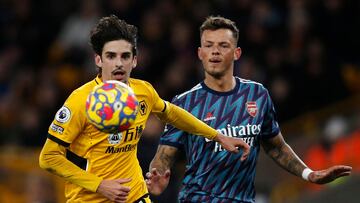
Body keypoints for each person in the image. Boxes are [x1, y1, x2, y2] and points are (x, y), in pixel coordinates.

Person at [38, 15, 250, 203]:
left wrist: (217, 136)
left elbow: (172, 113)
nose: (118, 63)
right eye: (111, 56)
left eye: (125, 56)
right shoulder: (81, 100)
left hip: (134, 193)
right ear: (98, 60)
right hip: (90, 197)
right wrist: (99, 184)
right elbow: (48, 157)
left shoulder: (143, 92)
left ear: (135, 61)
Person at [146, 16, 352, 202]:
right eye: (208, 45)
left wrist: (309, 174)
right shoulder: (185, 103)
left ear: (237, 53)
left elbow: (276, 147)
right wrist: (157, 173)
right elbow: (164, 154)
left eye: (223, 45)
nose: (215, 51)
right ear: (200, 53)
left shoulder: (257, 95)